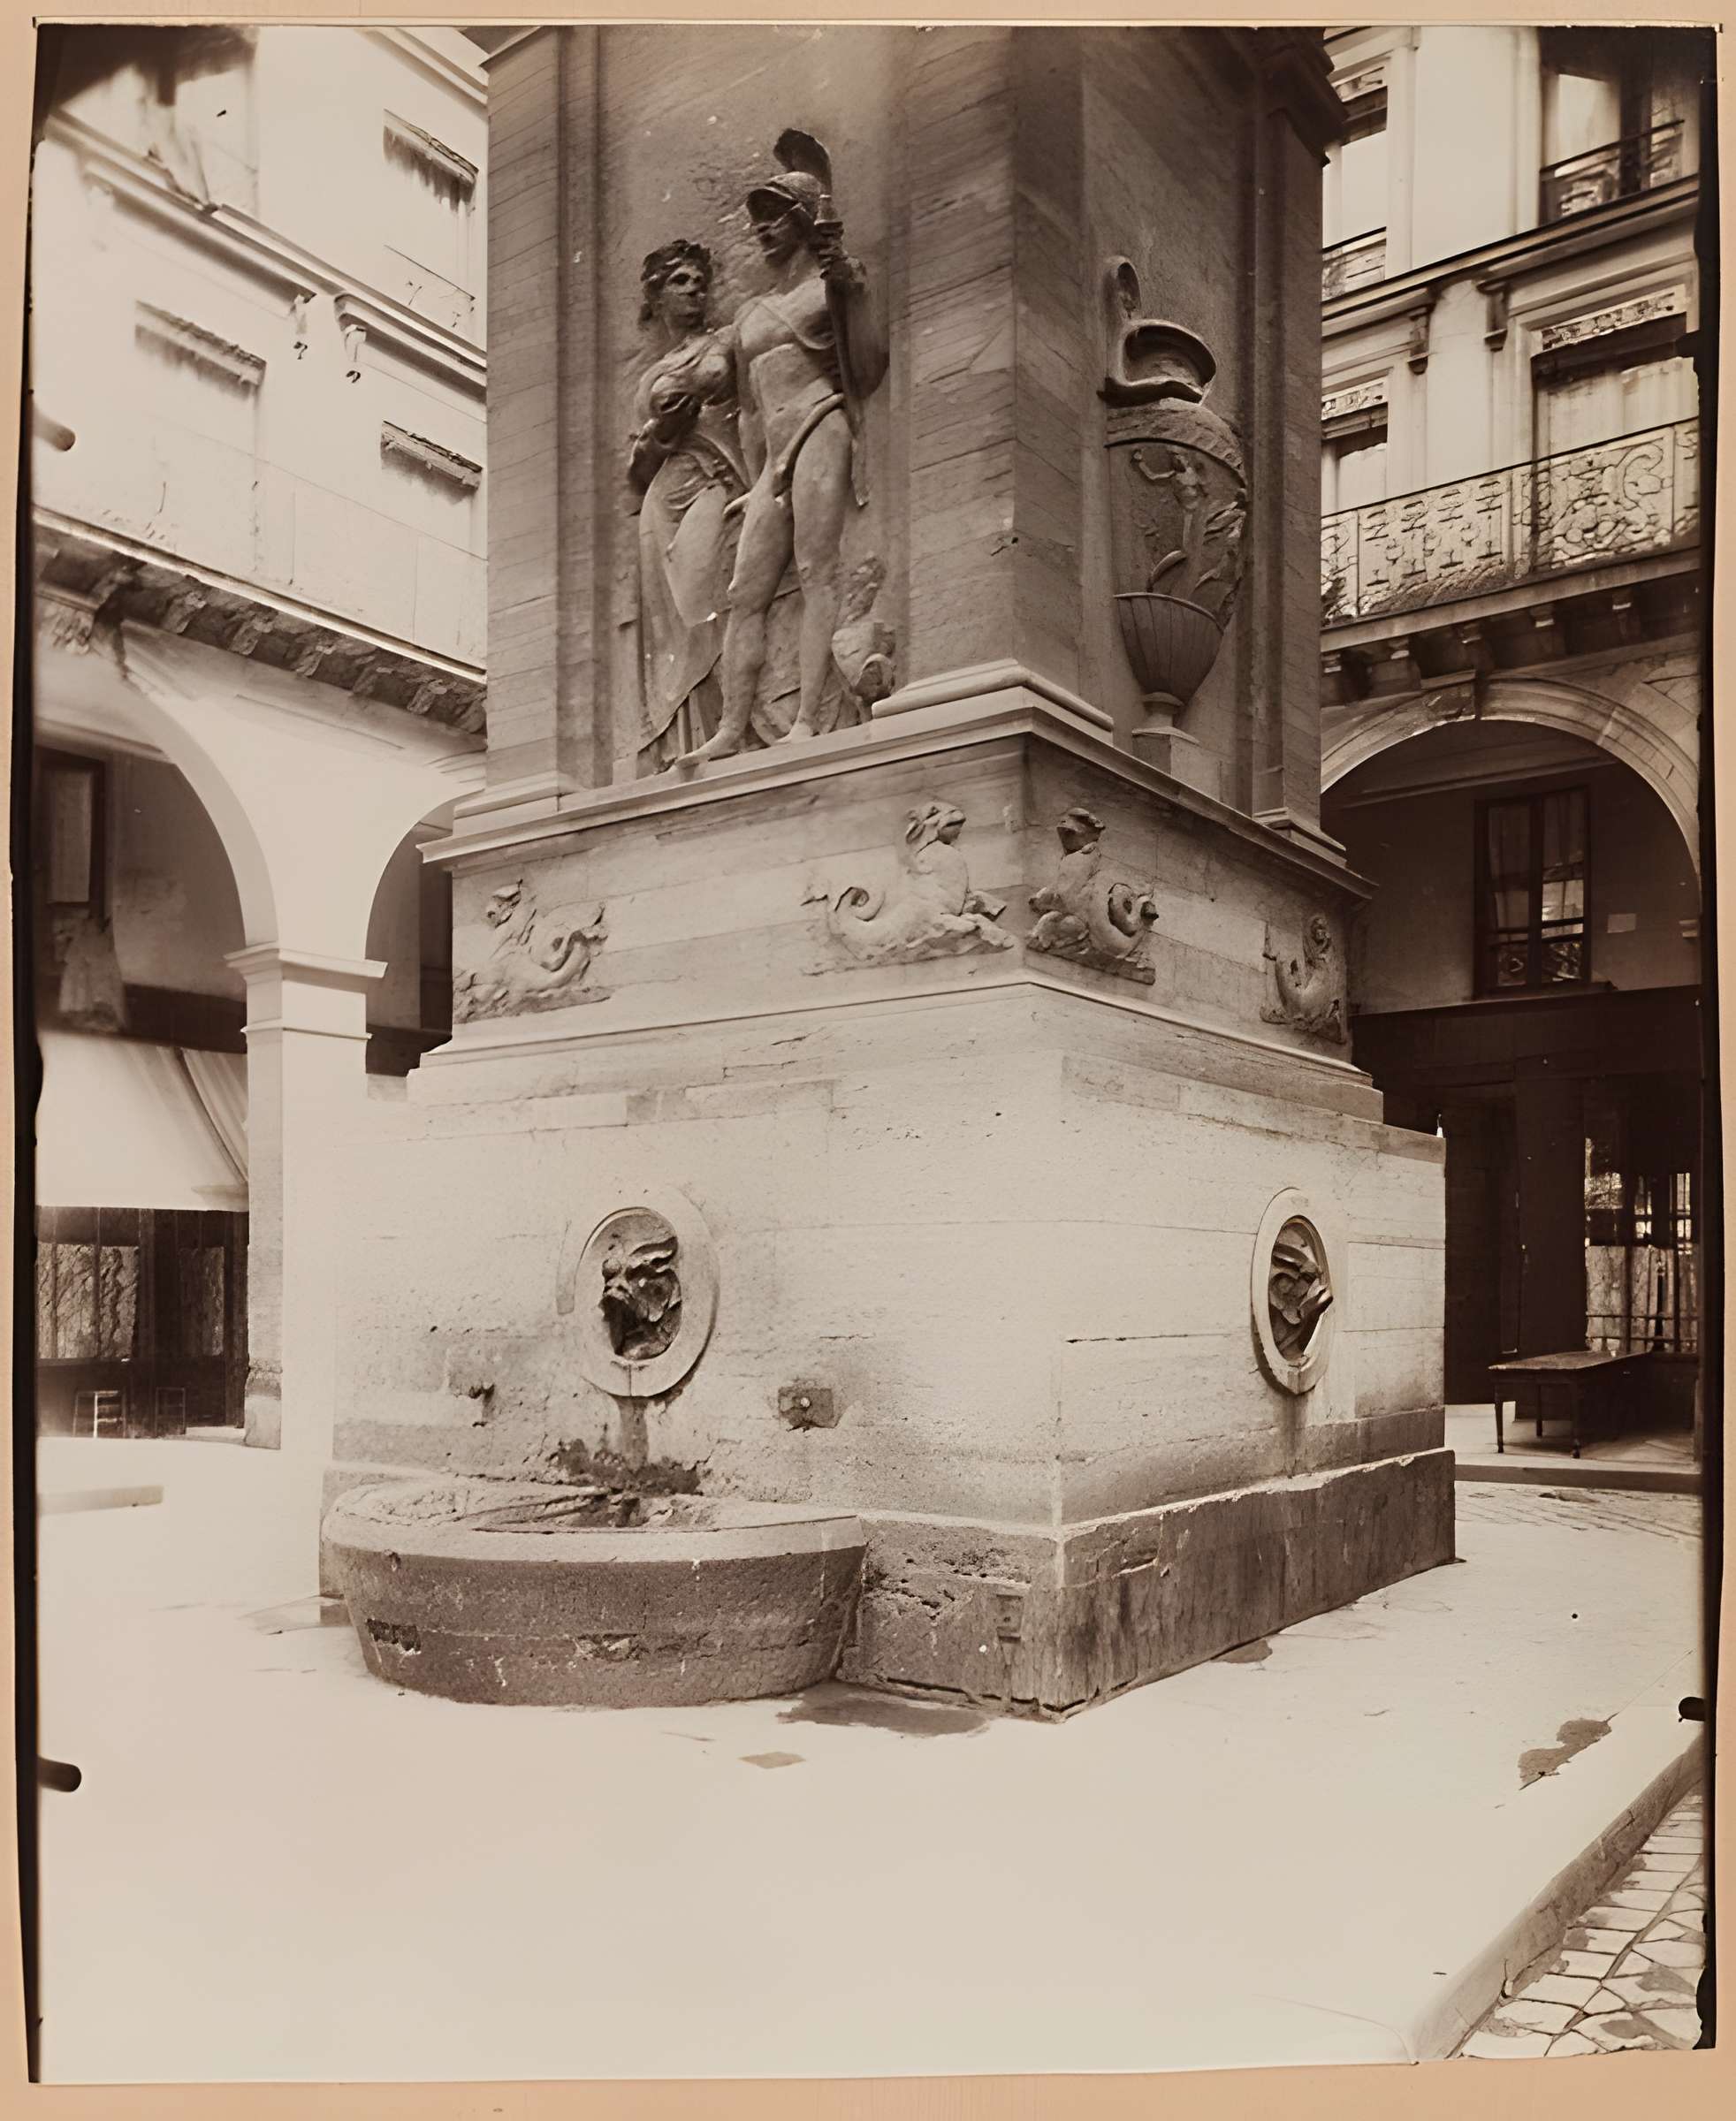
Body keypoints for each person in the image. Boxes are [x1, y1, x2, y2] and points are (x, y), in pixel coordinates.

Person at [678, 169, 885, 765]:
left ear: (802, 220)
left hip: (821, 423)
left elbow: (867, 365)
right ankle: (731, 727)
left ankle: (806, 721)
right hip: (772, 455)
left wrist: (851, 290)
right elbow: (748, 409)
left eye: (776, 217)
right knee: (745, 591)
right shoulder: (751, 313)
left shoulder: (831, 286)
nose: (763, 229)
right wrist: (756, 479)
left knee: (817, 570)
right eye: (758, 220)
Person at [626, 241, 747, 772]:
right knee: (668, 624)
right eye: (680, 281)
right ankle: (680, 740)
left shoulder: (727, 340)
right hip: (663, 500)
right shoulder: (650, 377)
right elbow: (636, 470)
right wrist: (662, 430)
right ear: (657, 298)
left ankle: (728, 727)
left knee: (705, 602)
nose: (695, 289)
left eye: (700, 280)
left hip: (716, 481)